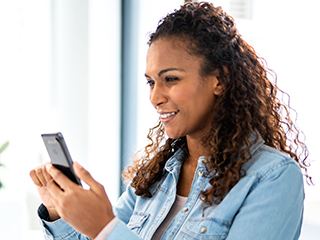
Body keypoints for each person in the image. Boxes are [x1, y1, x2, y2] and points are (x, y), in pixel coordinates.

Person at [30, 2, 311, 240]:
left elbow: (107, 233)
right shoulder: (157, 177)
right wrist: (58, 212)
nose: (154, 97)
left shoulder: (272, 178)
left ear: (220, 79)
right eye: (151, 82)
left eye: (171, 79)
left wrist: (106, 228)